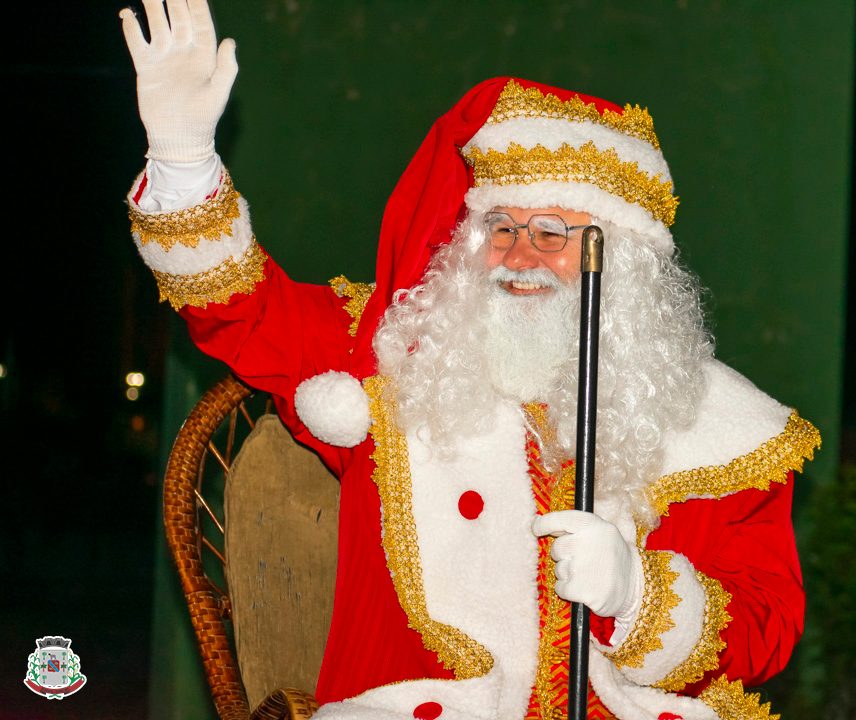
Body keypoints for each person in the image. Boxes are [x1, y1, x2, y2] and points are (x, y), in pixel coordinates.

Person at [120, 2, 820, 718]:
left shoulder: (714, 421)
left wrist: (635, 595)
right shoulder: (397, 351)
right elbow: (243, 310)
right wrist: (183, 162)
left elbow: (766, 630)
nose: (521, 255)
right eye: (500, 226)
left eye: (554, 231)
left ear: (627, 261)